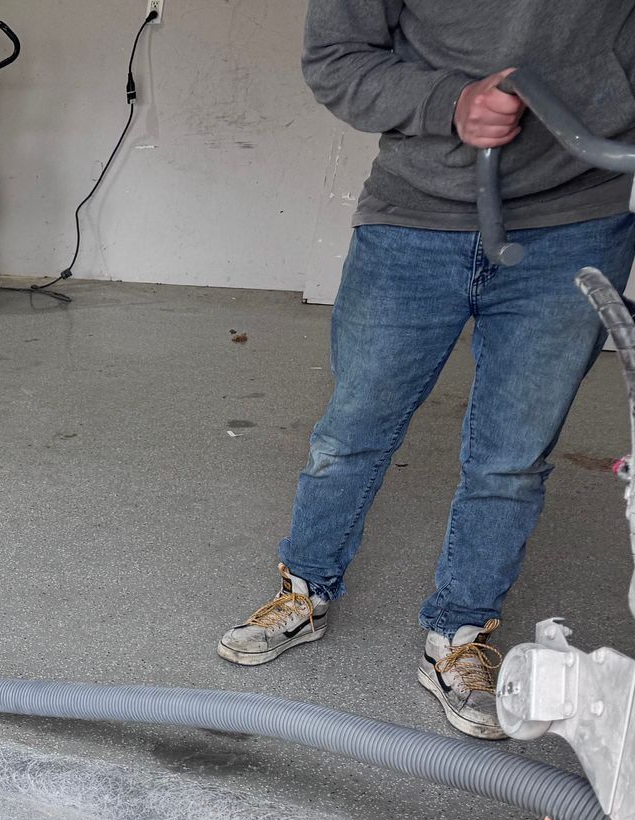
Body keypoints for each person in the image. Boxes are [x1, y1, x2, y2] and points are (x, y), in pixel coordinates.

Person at [218, 0, 635, 739]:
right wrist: (451, 101)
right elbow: (335, 59)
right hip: (415, 216)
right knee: (353, 429)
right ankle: (305, 590)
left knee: (512, 457)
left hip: (577, 219)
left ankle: (460, 634)